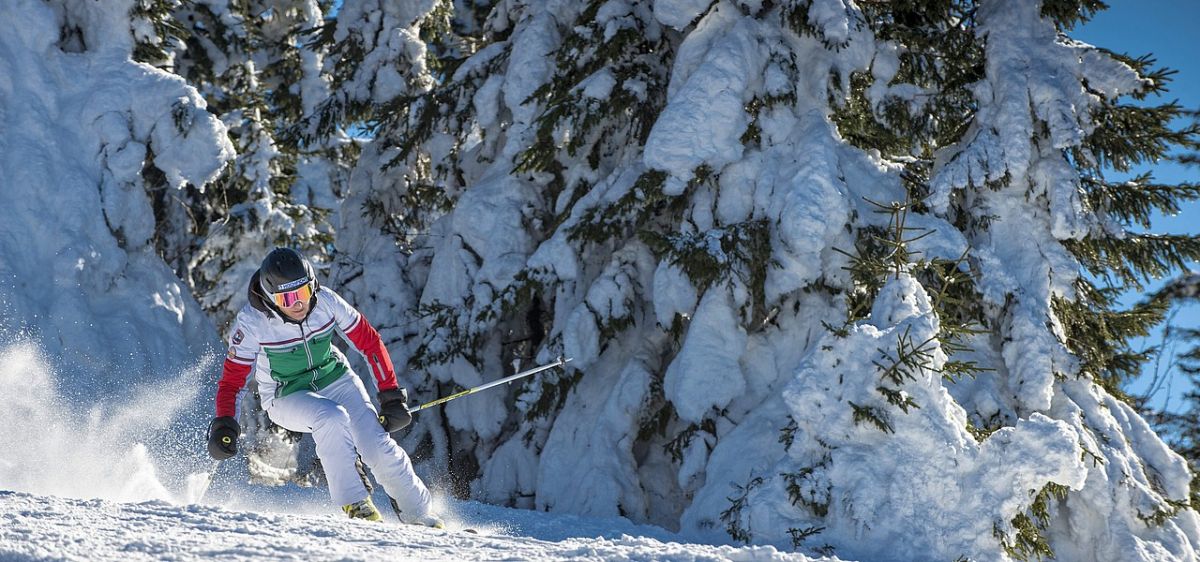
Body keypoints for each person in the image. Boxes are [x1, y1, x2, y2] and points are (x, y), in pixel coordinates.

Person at [205, 247, 442, 527]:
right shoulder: (252, 323)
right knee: (330, 417)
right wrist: (224, 422)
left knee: (375, 443)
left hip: (334, 377)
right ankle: (355, 502)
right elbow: (233, 380)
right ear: (270, 297)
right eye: (287, 298)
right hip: (286, 394)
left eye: (303, 292)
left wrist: (390, 395)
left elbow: (369, 342)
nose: (298, 304)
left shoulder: (326, 302)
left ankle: (420, 513)